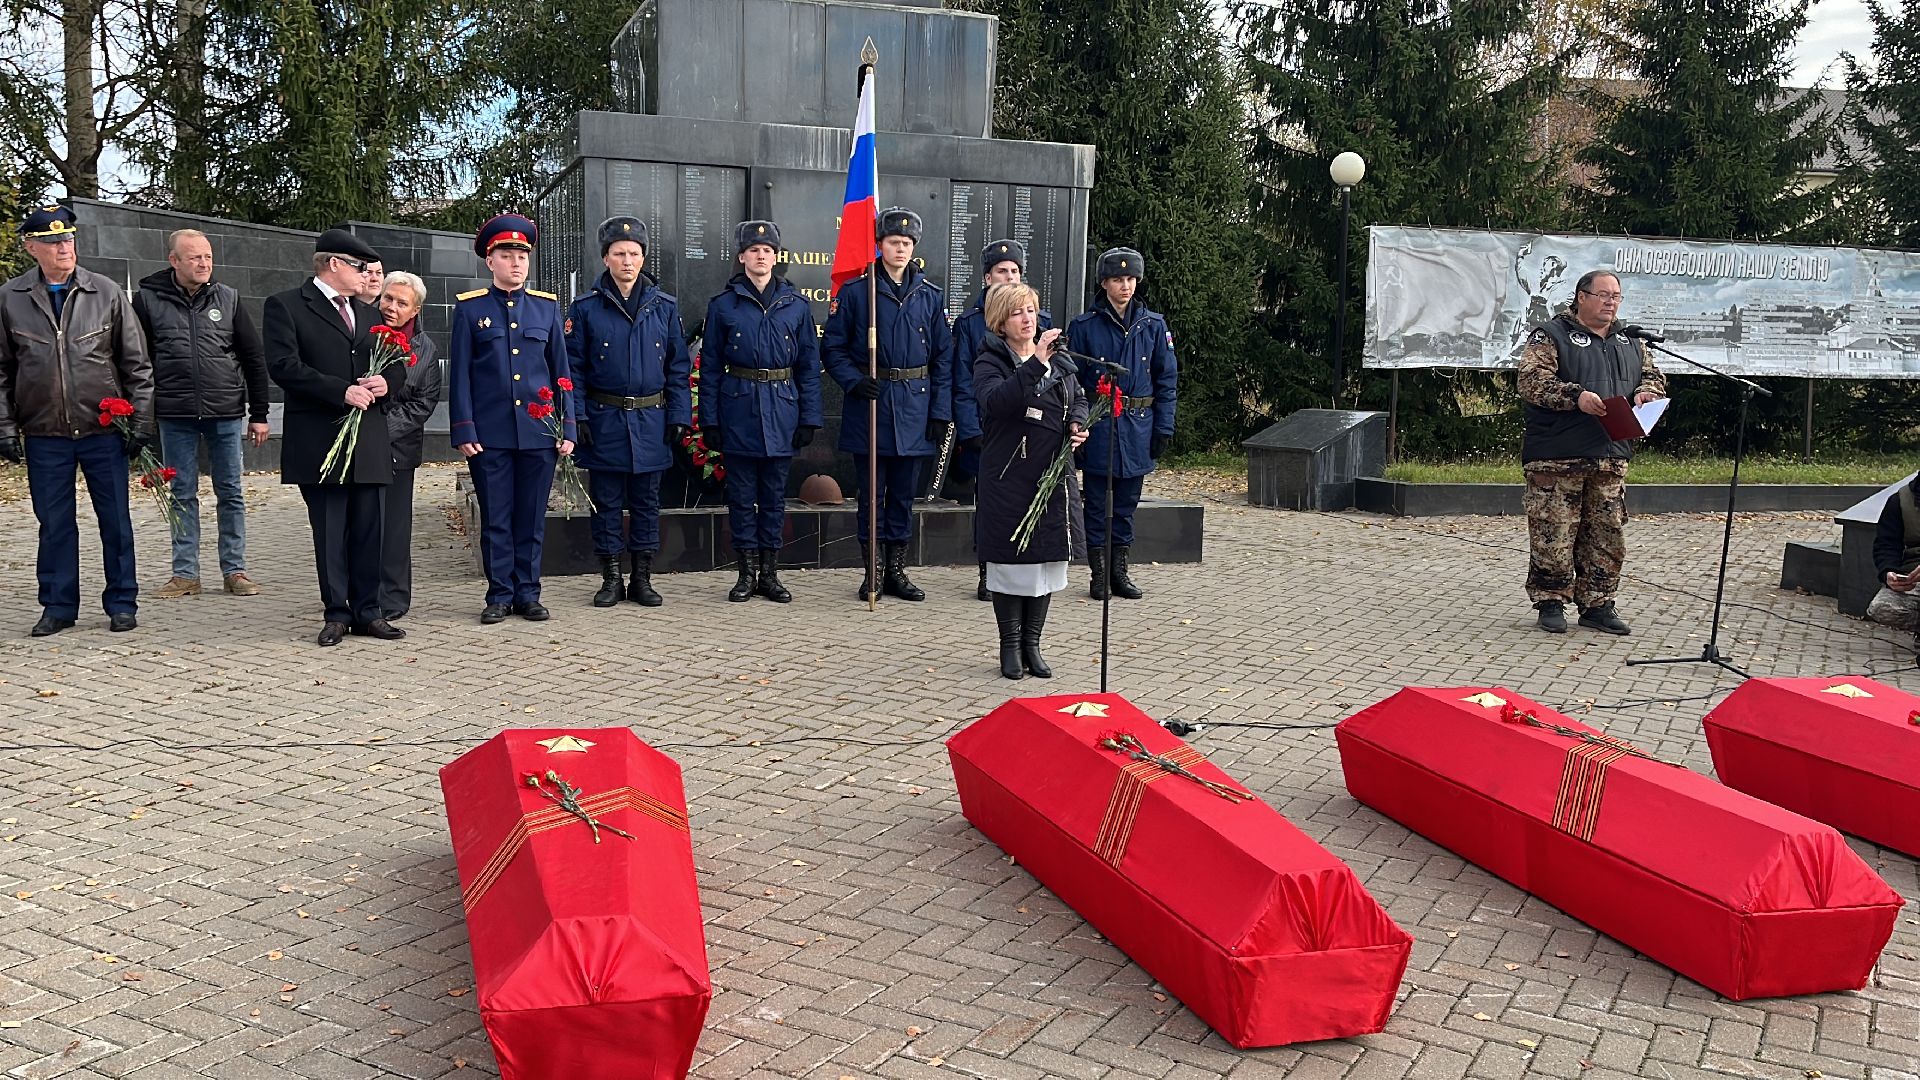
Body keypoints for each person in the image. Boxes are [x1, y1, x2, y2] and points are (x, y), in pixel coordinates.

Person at [0, 204, 153, 636]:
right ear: (32, 248)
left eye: (68, 239)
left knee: (116, 520)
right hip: (45, 431)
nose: (64, 246)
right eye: (52, 242)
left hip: (103, 429)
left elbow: (136, 364)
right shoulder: (9, 298)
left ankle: (122, 601)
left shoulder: (104, 292)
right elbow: (1, 370)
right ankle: (58, 606)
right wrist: (5, 426)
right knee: (54, 524)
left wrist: (141, 421)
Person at [263, 229, 410, 646]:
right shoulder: (287, 306)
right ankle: (337, 613)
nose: (367, 276)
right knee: (330, 531)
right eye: (360, 267)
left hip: (366, 439)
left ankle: (369, 611)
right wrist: (339, 391)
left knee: (369, 528)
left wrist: (387, 382)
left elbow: (397, 360)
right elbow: (283, 366)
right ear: (334, 265)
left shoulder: (366, 314)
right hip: (320, 439)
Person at [1518, 270, 1667, 635]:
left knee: (1607, 533)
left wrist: (1647, 392)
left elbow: (1653, 377)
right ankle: (1551, 600)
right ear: (1581, 297)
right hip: (1558, 455)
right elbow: (1532, 381)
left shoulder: (1631, 340)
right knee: (1554, 532)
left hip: (1611, 452)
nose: (1610, 302)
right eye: (1602, 295)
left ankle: (1598, 604)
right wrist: (1577, 397)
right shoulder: (1551, 335)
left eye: (1616, 296)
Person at [451, 213, 576, 623]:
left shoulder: (546, 308)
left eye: (522, 255)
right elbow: (462, 375)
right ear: (490, 261)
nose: (516, 263)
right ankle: (499, 594)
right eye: (506, 255)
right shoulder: (471, 311)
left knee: (531, 518)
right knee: (497, 519)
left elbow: (562, 374)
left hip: (540, 432)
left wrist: (568, 426)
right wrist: (464, 427)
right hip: (491, 434)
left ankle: (529, 593)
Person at [823, 207, 952, 601]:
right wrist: (854, 381)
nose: (900, 249)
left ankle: (897, 569)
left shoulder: (930, 296)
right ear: (879, 245)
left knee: (901, 496)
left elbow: (943, 358)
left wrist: (940, 413)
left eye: (907, 243)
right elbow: (833, 348)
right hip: (872, 407)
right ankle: (873, 571)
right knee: (871, 496)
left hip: (914, 406)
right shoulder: (858, 293)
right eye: (894, 242)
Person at [134, 229, 270, 599]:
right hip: (173, 413)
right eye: (194, 257)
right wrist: (140, 417)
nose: (203, 263)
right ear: (173, 260)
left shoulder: (228, 298)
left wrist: (259, 413)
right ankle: (185, 574)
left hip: (225, 412)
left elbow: (253, 359)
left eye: (208, 256)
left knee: (231, 492)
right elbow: (136, 362)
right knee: (182, 493)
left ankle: (235, 571)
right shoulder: (146, 301)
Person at [564, 215, 690, 609]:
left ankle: (642, 578)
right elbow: (574, 369)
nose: (627, 261)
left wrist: (679, 416)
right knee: (605, 503)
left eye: (634, 253)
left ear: (643, 257)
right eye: (619, 253)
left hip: (651, 420)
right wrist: (577, 417)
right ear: (605, 259)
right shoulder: (584, 308)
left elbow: (677, 366)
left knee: (646, 504)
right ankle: (610, 578)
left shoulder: (664, 307)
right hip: (604, 420)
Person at [704, 219, 822, 603]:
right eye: (753, 250)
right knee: (741, 497)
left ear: (776, 257)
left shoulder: (796, 305)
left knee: (773, 497)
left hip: (782, 408)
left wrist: (809, 418)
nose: (760, 256)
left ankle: (770, 573)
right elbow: (708, 368)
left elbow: (808, 365)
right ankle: (745, 573)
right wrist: (710, 420)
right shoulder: (723, 305)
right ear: (742, 257)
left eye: (767, 250)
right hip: (738, 407)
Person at [975, 283, 1088, 679]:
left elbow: (1077, 397)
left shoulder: (1059, 359)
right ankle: (1009, 645)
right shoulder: (990, 360)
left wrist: (1077, 422)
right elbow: (998, 402)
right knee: (1012, 565)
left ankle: (1033, 644)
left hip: (1051, 474)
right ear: (1000, 321)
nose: (1028, 319)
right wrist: (1035, 363)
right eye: (1018, 313)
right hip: (1010, 476)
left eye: (1032, 311)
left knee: (1045, 563)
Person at [1070, 246, 1176, 600]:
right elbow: (1075, 382)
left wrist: (1164, 427)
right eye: (1118, 279)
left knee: (1127, 504)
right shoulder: (1085, 326)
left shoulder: (1153, 325)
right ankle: (1098, 575)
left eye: (1130, 279)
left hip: (1139, 423)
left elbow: (1167, 380)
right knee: (1098, 503)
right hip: (1101, 424)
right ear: (1104, 283)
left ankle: (1120, 572)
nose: (1125, 286)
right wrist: (1078, 424)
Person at [949, 238, 1051, 601]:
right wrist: (969, 428)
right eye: (1001, 272)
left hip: (1035, 432)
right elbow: (962, 380)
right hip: (989, 427)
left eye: (1015, 271)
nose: (1009, 277)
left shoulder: (1042, 324)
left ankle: (1028, 565)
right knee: (989, 502)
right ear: (986, 277)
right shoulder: (972, 324)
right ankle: (987, 568)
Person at [374, 271, 443, 620]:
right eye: (388, 298)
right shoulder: (362, 334)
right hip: (357, 446)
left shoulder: (425, 349)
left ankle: (394, 598)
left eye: (402, 303)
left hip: (396, 447)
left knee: (395, 527)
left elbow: (423, 403)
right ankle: (361, 593)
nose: (392, 307)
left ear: (415, 310)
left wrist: (378, 431)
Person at [1868, 472, 1920, 648]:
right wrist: (1889, 573)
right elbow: (1886, 545)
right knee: (1882, 608)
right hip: (1914, 578)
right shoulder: (1900, 500)